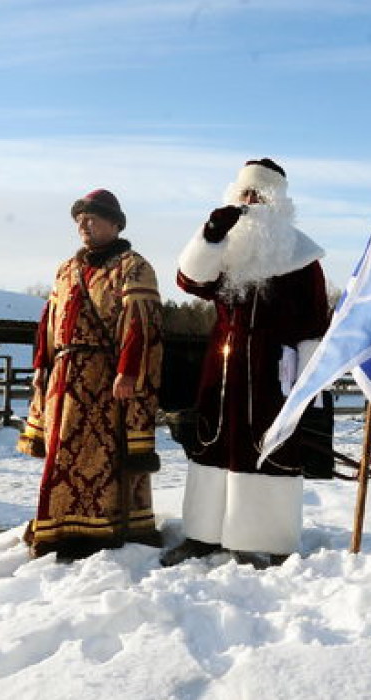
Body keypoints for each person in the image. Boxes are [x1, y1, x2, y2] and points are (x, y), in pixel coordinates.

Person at [161, 158, 329, 566]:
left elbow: (315, 324)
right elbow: (189, 281)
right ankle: (203, 534)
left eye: (259, 195)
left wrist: (309, 387)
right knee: (212, 443)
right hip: (222, 366)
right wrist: (211, 235)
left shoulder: (301, 256)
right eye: (244, 194)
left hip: (274, 371)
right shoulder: (225, 246)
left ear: (277, 204)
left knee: (268, 448)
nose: (250, 201)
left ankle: (266, 538)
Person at [17, 189, 163, 560]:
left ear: (115, 224)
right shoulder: (66, 270)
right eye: (80, 218)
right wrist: (41, 366)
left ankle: (106, 527)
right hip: (64, 377)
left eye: (93, 217)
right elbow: (49, 322)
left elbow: (141, 327)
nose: (84, 223)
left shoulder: (133, 267)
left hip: (104, 377)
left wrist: (128, 372)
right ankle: (61, 525)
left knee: (103, 455)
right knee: (62, 455)